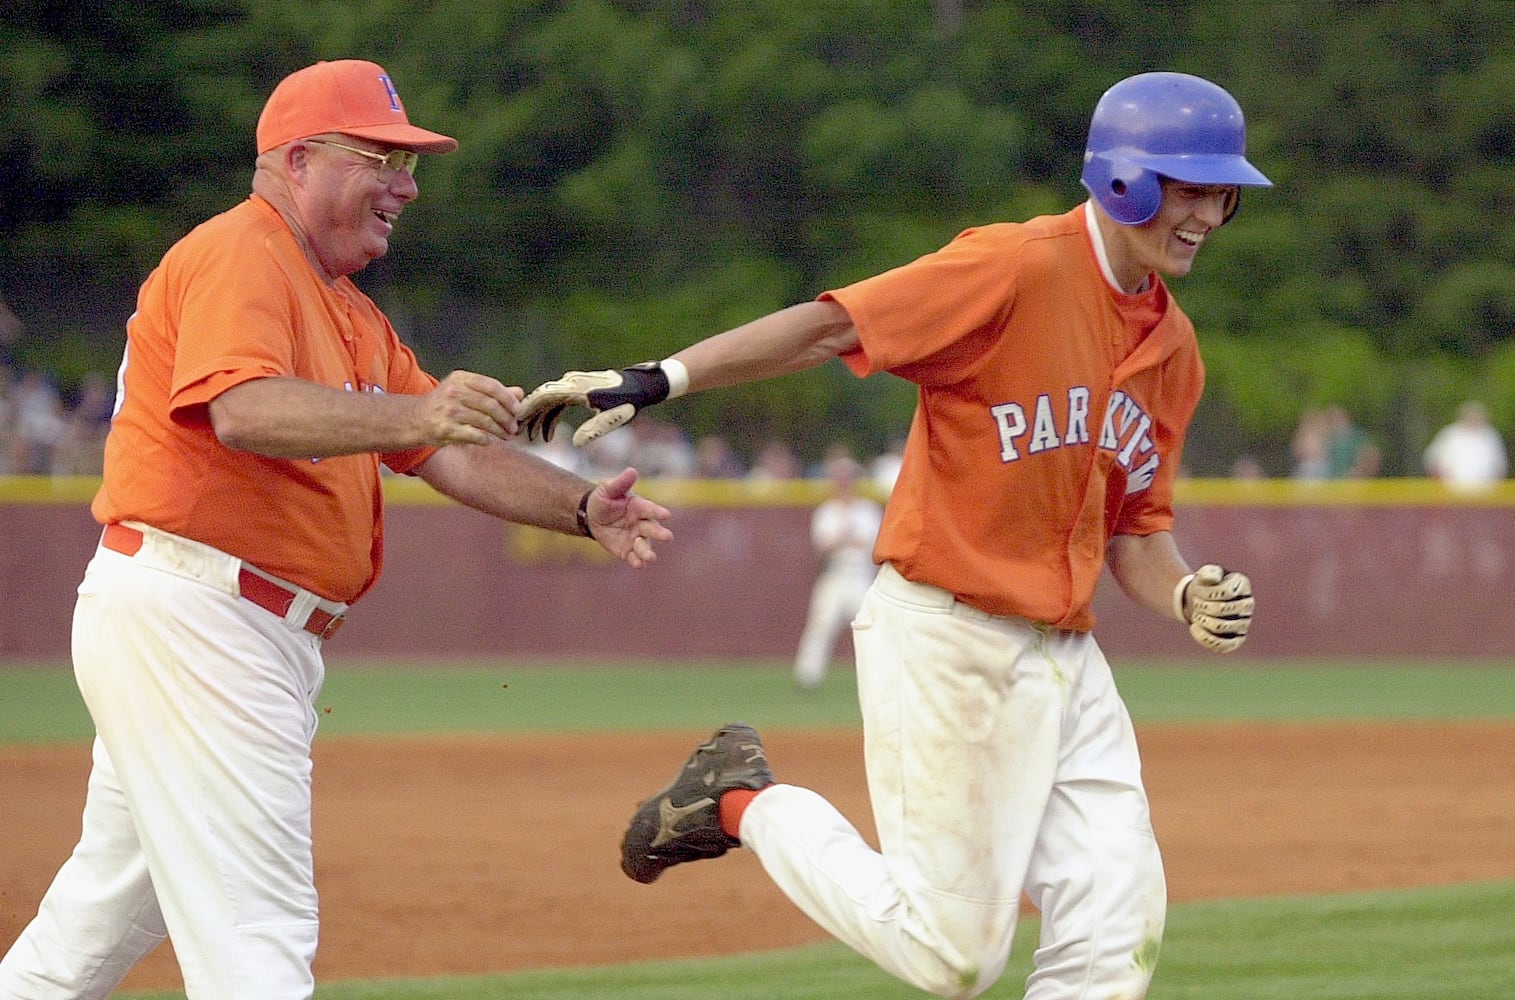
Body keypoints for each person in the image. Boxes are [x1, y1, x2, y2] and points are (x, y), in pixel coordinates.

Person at [517, 71, 1264, 999]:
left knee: (1116, 932)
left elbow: (1138, 538)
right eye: (1187, 187)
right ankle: (736, 799)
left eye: (1221, 193)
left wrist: (1186, 593)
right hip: (948, 638)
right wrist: (659, 378)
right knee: (953, 959)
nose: (1206, 213)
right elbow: (832, 327)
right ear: (1123, 180)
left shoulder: (1173, 350)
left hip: (1067, 662)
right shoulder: (1015, 267)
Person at [0, 59, 671, 1000]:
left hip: (223, 621)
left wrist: (577, 507)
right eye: (383, 157)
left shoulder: (346, 310)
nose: (406, 186)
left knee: (99, 925)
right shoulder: (244, 251)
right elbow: (243, 409)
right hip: (203, 616)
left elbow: (449, 450)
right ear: (299, 159)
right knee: (259, 938)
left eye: (411, 164)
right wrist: (421, 419)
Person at [792, 452, 883, 689]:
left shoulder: (867, 510)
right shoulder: (827, 511)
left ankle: (878, 676)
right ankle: (808, 679)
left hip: (860, 576)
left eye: (847, 478)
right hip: (834, 574)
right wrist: (844, 539)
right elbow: (823, 545)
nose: (843, 483)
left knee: (871, 627)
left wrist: (843, 539)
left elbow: (871, 545)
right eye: (839, 478)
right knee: (820, 625)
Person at [1423, 400, 1508, 493]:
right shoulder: (1450, 434)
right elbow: (1433, 461)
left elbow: (1499, 466)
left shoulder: (1490, 435)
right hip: (1452, 493)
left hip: (1485, 495)